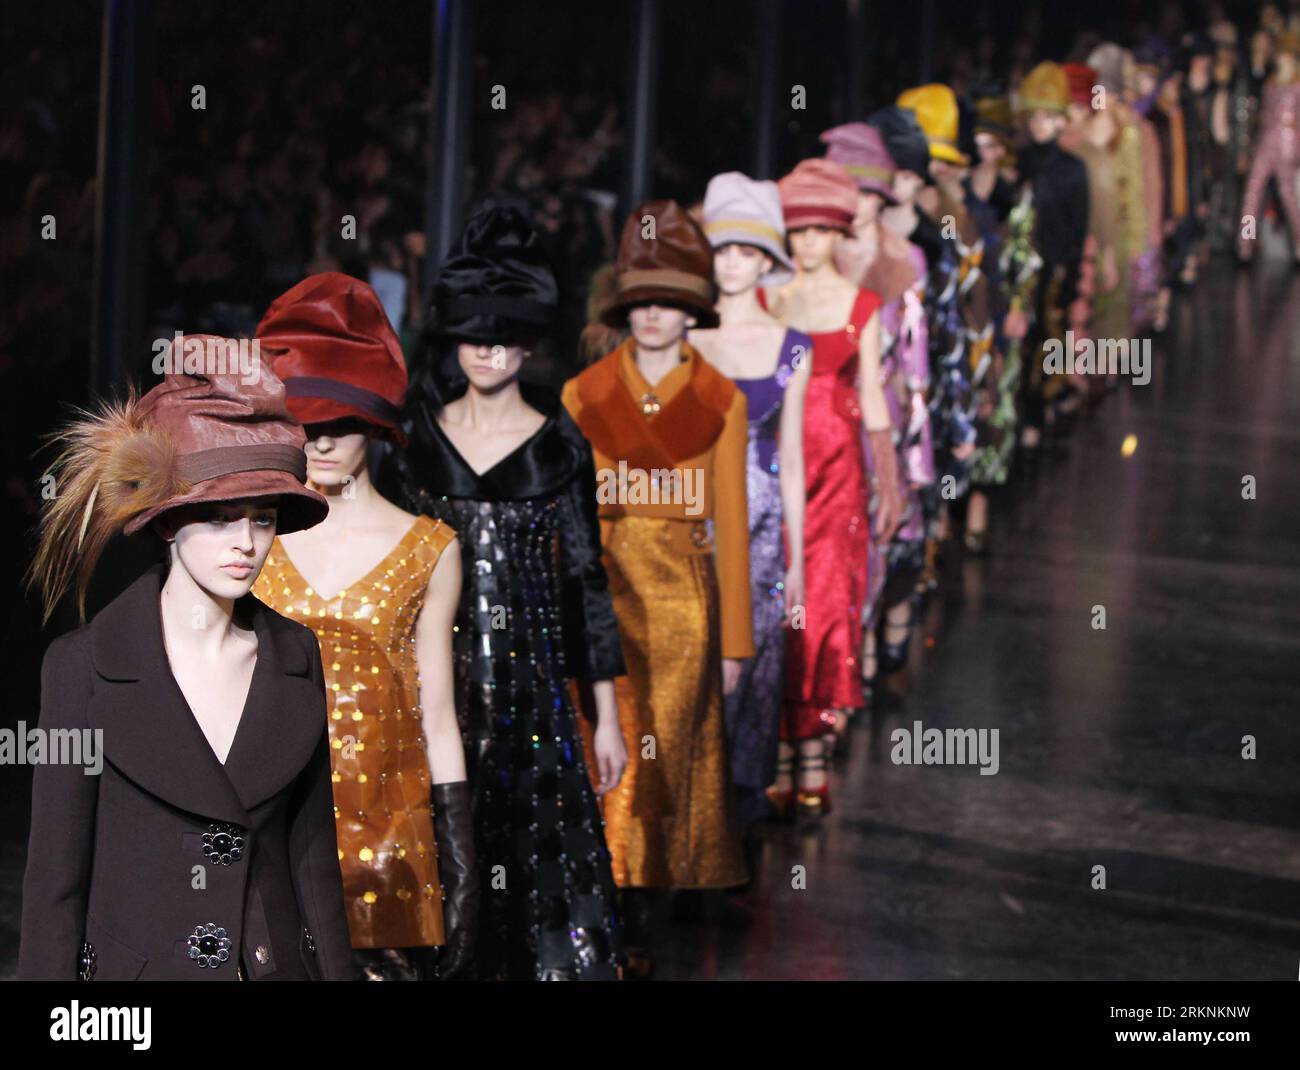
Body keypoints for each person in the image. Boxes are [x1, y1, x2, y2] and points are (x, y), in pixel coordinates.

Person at [20, 351, 354, 980]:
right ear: (168, 520)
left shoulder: (296, 655)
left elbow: (314, 863)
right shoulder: (83, 667)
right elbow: (54, 881)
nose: (246, 543)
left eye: (263, 518)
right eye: (219, 516)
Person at [397, 203, 629, 980]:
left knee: (538, 862)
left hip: (535, 695)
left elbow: (586, 576)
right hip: (436, 681)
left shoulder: (561, 443)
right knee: (444, 840)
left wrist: (607, 716)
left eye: (504, 334)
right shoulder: (416, 438)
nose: (488, 350)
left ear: (529, 340)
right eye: (473, 332)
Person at [252, 273, 477, 981]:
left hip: (390, 827)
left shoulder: (430, 546)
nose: (318, 442)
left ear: (375, 424)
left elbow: (437, 711)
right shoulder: (250, 543)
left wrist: (459, 850)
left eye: (337, 423)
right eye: (303, 422)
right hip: (273, 821)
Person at [562, 199, 752, 969]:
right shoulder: (582, 395)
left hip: (681, 604)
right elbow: (571, 521)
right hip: (602, 595)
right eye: (641, 297)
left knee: (666, 754)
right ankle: (605, 893)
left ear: (694, 310)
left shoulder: (722, 400)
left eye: (670, 300)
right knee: (602, 751)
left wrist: (734, 641)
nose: (652, 314)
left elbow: (732, 524)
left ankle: (641, 905)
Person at [764, 158, 898, 814]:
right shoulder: (768, 299)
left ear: (841, 231)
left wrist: (890, 480)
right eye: (799, 229)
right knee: (775, 595)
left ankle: (809, 744)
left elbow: (873, 393)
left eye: (821, 229)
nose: (808, 241)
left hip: (839, 469)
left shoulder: (862, 305)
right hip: (775, 463)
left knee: (820, 601)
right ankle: (780, 747)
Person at [689, 172, 811, 838]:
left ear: (766, 258)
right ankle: (691, 830)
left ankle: (735, 828)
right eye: (722, 248)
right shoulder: (680, 338)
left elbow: (791, 457)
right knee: (691, 664)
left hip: (761, 528)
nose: (732, 262)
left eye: (746, 249)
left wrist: (799, 559)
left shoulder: (793, 348)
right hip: (688, 517)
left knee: (755, 675)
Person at [823, 123, 933, 698]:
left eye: (870, 189)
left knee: (875, 539)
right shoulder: (815, 256)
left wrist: (914, 458)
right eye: (850, 187)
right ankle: (840, 669)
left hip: (880, 420)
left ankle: (859, 654)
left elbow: (915, 367)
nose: (860, 201)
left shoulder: (904, 259)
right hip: (823, 423)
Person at [1238, 30, 1300, 265]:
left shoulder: (1296, 86)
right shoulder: (1271, 84)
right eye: (1281, 54)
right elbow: (1263, 115)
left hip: (1287, 144)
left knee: (1288, 195)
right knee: (1252, 191)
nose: (1283, 59)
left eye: (1287, 55)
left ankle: (1298, 242)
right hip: (1266, 143)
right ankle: (1246, 242)